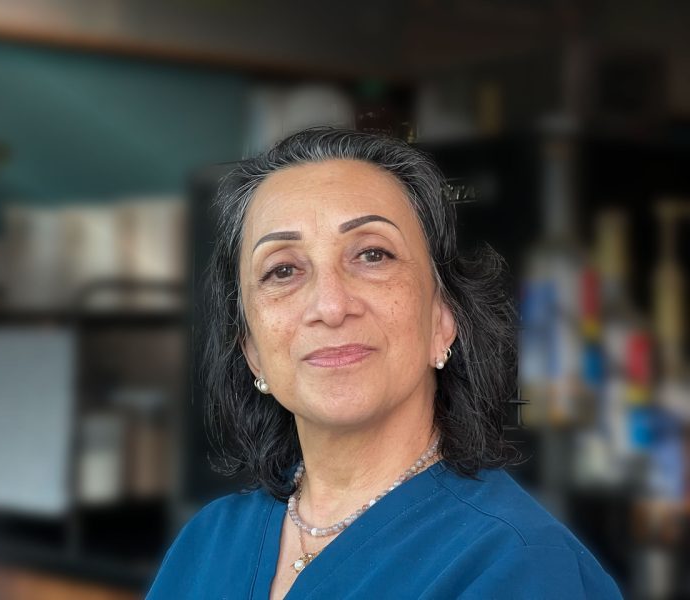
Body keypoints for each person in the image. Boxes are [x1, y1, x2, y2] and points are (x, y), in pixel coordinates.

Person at [146, 128, 623, 599]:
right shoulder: (205, 545)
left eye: (373, 254)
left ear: (442, 320)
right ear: (251, 349)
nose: (330, 306)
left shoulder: (520, 564)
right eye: (283, 270)